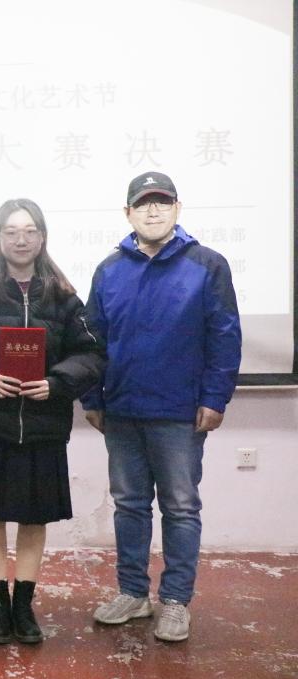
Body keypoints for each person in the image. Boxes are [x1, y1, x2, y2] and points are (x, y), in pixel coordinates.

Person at [0, 198, 105, 645]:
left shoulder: (64, 297)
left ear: (42, 237)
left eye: (29, 231)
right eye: (11, 231)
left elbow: (91, 353)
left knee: (34, 518)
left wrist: (58, 383)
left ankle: (24, 605)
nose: (21, 239)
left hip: (44, 425)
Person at [85, 172, 241, 642]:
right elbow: (92, 341)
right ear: (127, 212)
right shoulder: (109, 270)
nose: (153, 211)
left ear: (177, 209)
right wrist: (92, 398)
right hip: (122, 412)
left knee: (180, 507)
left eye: (162, 202)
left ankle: (175, 601)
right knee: (129, 506)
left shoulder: (207, 265)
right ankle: (133, 593)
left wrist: (214, 398)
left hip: (180, 413)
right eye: (143, 203)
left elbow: (224, 337)